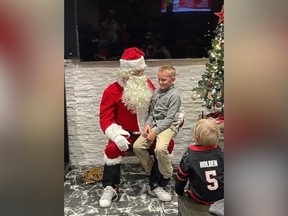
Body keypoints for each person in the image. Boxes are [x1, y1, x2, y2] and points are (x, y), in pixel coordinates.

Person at [98, 47, 184, 208]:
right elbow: (105, 118)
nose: (141, 75)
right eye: (138, 72)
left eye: (142, 71)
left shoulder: (148, 85)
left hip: (148, 131)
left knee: (166, 145)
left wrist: (178, 118)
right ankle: (109, 186)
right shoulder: (112, 91)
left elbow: (161, 110)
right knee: (112, 148)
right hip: (125, 133)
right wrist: (116, 136)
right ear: (127, 72)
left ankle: (156, 184)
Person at [133, 65, 181, 202]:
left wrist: (155, 131)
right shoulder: (156, 92)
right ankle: (153, 170)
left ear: (173, 80)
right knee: (137, 146)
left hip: (167, 126)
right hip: (154, 124)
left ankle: (166, 173)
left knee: (160, 149)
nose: (160, 82)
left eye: (164, 80)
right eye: (159, 79)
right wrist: (148, 124)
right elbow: (151, 113)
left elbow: (170, 119)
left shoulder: (175, 96)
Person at [175, 119, 224, 205]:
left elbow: (181, 176)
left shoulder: (190, 154)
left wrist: (179, 191)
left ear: (196, 138)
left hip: (200, 198)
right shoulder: (221, 152)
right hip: (221, 197)